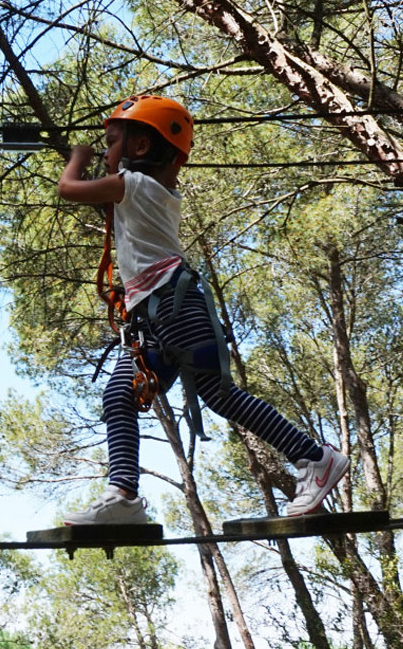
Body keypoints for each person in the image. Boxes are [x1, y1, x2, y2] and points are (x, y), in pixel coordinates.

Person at [55, 94, 349, 525]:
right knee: (119, 395)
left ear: (139, 149)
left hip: (174, 302)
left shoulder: (133, 186)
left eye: (112, 141)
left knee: (218, 395)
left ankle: (315, 457)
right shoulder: (141, 189)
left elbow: (68, 189)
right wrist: (103, 153)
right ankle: (124, 496)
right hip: (151, 314)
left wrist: (77, 157)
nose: (104, 151)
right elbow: (103, 193)